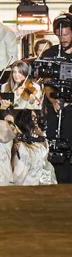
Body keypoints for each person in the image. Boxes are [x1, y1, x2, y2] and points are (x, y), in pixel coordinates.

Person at [39, 13, 72, 183]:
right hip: (56, 108)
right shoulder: (50, 53)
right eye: (60, 35)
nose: (63, 38)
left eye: (66, 34)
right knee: (55, 145)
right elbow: (46, 82)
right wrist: (53, 101)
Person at [12, 110, 56, 186]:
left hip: (38, 182)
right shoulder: (20, 143)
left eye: (36, 117)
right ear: (25, 119)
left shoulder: (36, 140)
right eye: (32, 117)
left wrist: (41, 135)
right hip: (24, 182)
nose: (36, 119)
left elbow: (44, 153)